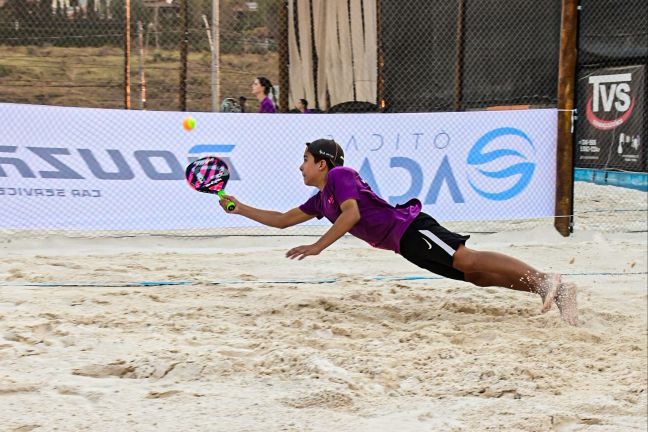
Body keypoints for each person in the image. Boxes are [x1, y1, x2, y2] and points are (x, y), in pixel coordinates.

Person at [218, 139, 578, 326]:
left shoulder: (341, 177)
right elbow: (282, 219)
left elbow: (351, 214)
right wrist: (239, 207)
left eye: (305, 159)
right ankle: (552, 291)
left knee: (466, 257)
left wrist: (317, 247)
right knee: (476, 276)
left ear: (322, 163)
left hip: (410, 227)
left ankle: (547, 279)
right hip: (403, 246)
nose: (300, 166)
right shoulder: (321, 200)